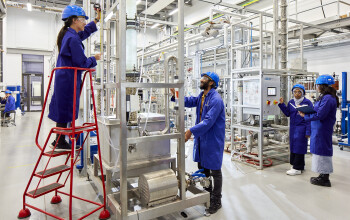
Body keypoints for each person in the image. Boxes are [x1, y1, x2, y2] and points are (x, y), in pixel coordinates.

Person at [170, 72, 225, 214]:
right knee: (204, 166)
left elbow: (208, 121)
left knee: (215, 170)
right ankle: (207, 193)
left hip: (212, 138)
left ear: (211, 83)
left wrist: (190, 131)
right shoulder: (202, 96)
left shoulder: (216, 100)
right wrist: (176, 96)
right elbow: (189, 101)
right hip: (203, 137)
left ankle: (216, 200)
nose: (201, 80)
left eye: (205, 78)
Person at [48, 5, 101, 150]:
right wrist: (94, 58)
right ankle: (60, 141)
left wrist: (96, 20)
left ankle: (59, 140)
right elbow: (82, 63)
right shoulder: (72, 39)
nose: (84, 22)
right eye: (83, 19)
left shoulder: (70, 35)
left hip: (65, 78)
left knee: (64, 109)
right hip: (68, 79)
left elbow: (85, 33)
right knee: (66, 109)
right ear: (74, 20)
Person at [299, 75, 339, 187]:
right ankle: (322, 175)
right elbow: (318, 111)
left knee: (322, 151)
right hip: (319, 128)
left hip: (322, 129)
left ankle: (325, 178)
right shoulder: (325, 97)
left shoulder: (327, 99)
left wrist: (305, 116)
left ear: (321, 86)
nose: (316, 87)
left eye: (317, 85)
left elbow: (320, 115)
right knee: (319, 151)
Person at [278, 84, 312, 175]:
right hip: (293, 128)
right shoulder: (291, 102)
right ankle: (298, 165)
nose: (297, 94)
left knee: (299, 147)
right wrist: (282, 105)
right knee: (293, 147)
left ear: (303, 93)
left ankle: (297, 168)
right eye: (295, 92)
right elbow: (288, 113)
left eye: (299, 92)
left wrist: (308, 131)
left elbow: (310, 118)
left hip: (302, 128)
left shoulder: (307, 102)